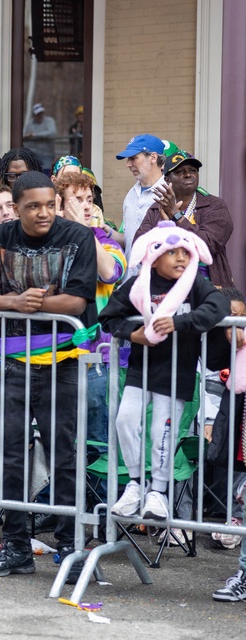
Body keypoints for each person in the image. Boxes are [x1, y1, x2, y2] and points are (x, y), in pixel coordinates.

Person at [0, 171, 98, 578]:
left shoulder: (77, 237)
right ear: (17, 208)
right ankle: (17, 546)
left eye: (49, 205)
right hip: (14, 362)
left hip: (64, 362)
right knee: (11, 454)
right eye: (33, 206)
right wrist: (14, 301)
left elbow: (76, 303)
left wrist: (30, 306)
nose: (43, 213)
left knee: (65, 456)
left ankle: (71, 548)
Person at [100, 222, 228, 521]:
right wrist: (134, 334)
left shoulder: (195, 283)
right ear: (153, 257)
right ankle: (134, 485)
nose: (181, 258)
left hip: (177, 372)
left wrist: (179, 323)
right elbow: (108, 317)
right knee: (125, 420)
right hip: (141, 369)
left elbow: (219, 304)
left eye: (186, 251)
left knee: (162, 431)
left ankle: (157, 492)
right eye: (173, 252)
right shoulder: (138, 284)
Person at [55, 171, 126, 447]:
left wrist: (82, 231)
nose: (85, 206)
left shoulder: (104, 242)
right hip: (53, 354)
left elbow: (110, 272)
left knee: (96, 442)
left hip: (97, 356)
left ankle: (94, 491)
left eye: (89, 199)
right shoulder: (46, 241)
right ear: (59, 205)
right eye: (76, 199)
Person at [135, 150, 236, 291]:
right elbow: (140, 249)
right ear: (167, 180)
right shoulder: (156, 208)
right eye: (180, 172)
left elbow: (207, 245)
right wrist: (165, 228)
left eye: (193, 170)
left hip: (210, 290)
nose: (188, 175)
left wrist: (176, 215)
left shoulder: (215, 206)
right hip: (165, 292)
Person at [116, 134, 166, 257]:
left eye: (133, 158)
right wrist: (107, 233)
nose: (128, 164)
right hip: (130, 276)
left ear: (153, 157)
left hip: (154, 275)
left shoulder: (169, 194)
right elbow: (129, 240)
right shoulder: (131, 195)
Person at [22, 103, 58, 170]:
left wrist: (34, 135)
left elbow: (52, 133)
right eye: (37, 114)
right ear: (34, 115)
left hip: (47, 154)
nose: (40, 116)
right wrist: (27, 136)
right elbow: (23, 134)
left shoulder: (49, 121)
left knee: (48, 173)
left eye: (41, 113)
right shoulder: (30, 124)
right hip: (32, 154)